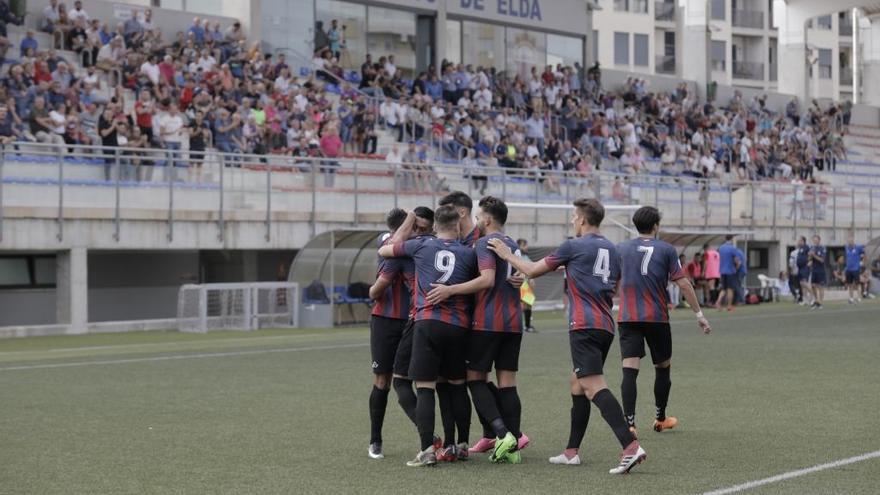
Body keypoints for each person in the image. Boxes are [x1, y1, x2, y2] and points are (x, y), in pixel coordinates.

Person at [489, 198, 646, 475]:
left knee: (593, 385)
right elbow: (611, 279)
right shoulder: (611, 247)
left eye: (574, 216)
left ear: (583, 220)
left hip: (584, 324)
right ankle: (571, 452)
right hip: (605, 323)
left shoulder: (573, 245)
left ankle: (630, 446)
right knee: (577, 383)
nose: (573, 220)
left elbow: (531, 270)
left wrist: (505, 254)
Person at [424, 196, 526, 464]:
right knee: (507, 383)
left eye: (479, 216)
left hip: (488, 322)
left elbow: (487, 280)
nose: (477, 220)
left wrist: (450, 289)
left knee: (474, 379)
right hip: (514, 323)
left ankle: (502, 434)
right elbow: (517, 275)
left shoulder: (484, 243)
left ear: (488, 219)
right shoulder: (513, 244)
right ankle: (513, 444)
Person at [377, 205, 478, 468]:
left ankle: (426, 451)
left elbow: (386, 249)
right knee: (456, 385)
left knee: (425, 387)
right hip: (458, 326)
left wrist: (409, 220)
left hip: (427, 322)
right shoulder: (469, 253)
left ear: (435, 227)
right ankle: (461, 445)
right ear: (457, 226)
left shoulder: (421, 245)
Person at [616, 207, 711, 438]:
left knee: (630, 369)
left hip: (628, 317)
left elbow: (610, 280)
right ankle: (660, 419)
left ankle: (630, 424)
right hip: (657, 318)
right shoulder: (667, 250)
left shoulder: (621, 248)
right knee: (663, 367)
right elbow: (684, 284)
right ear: (656, 226)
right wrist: (699, 315)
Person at [365, 209, 416, 460]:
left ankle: (429, 438)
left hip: (412, 320)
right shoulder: (386, 240)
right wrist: (412, 216)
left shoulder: (419, 245)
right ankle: (375, 440)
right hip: (384, 320)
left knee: (414, 380)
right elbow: (395, 241)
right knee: (382, 380)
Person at [715, 235, 741, 311]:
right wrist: (736, 268)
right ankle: (729, 305)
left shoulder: (721, 248)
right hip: (730, 271)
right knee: (730, 289)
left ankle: (718, 302)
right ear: (732, 239)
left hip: (722, 271)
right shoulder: (732, 248)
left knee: (723, 289)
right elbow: (737, 261)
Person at [517, 239, 537, 333]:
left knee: (529, 304)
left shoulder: (526, 257)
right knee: (523, 305)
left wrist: (531, 279)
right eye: (524, 245)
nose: (526, 247)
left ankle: (527, 326)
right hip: (520, 284)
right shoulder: (517, 256)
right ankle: (521, 326)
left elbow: (531, 269)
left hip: (525, 284)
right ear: (519, 246)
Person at [843, 234, 865, 304]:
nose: (850, 241)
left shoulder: (858, 247)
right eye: (849, 240)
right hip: (848, 269)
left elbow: (864, 254)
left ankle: (859, 297)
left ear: (853, 240)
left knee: (857, 284)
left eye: (851, 240)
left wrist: (862, 262)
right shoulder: (846, 247)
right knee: (850, 284)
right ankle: (851, 298)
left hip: (856, 268)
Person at [809, 235, 827, 309]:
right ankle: (816, 301)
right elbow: (810, 258)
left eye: (816, 240)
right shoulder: (812, 248)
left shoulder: (822, 248)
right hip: (814, 269)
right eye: (814, 240)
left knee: (820, 286)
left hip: (820, 270)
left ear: (819, 240)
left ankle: (820, 303)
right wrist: (810, 258)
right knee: (813, 285)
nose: (815, 241)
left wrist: (814, 255)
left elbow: (822, 260)